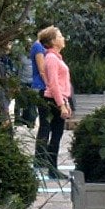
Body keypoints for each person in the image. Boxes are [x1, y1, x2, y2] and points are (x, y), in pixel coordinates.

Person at [39, 26, 72, 179]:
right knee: (55, 134)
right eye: (60, 36)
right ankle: (52, 169)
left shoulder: (56, 57)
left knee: (57, 135)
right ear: (53, 41)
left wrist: (66, 101)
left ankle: (53, 168)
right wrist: (61, 105)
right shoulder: (51, 58)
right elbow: (53, 84)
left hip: (58, 99)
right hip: (52, 100)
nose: (63, 38)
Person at [31, 28, 50, 168]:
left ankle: (41, 157)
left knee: (46, 125)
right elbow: (42, 69)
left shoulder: (40, 46)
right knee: (44, 124)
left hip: (43, 86)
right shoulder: (38, 46)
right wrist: (49, 85)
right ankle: (39, 158)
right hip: (42, 87)